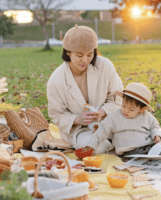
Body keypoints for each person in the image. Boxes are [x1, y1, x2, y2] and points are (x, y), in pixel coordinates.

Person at [47, 25, 124, 154]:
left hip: (109, 122)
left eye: (90, 55)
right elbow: (56, 115)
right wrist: (78, 119)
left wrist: (101, 111)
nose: (85, 60)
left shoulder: (105, 66)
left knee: (136, 136)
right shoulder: (56, 80)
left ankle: (117, 142)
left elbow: (118, 99)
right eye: (79, 55)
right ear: (68, 52)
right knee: (96, 148)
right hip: (80, 130)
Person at [86, 82, 161, 156]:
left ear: (142, 109)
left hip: (145, 146)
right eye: (123, 106)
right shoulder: (115, 116)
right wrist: (91, 145)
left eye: (131, 109)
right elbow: (102, 130)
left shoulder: (146, 116)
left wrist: (156, 135)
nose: (126, 110)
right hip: (127, 150)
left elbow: (154, 126)